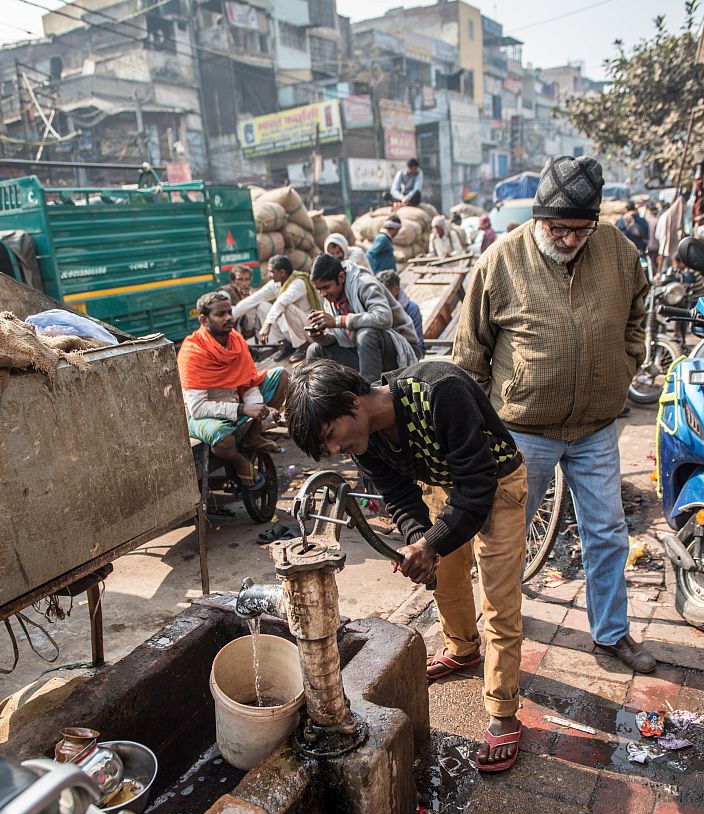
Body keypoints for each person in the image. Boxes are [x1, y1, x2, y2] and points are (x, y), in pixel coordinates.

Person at [453, 154, 656, 674]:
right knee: (505, 538)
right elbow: (470, 354)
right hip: (522, 429)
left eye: (580, 229)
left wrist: (625, 365)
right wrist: (476, 431)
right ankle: (504, 624)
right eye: (558, 228)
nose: (568, 239)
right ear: (539, 218)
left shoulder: (617, 250)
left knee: (607, 532)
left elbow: (638, 311)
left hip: (595, 426)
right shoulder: (500, 261)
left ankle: (611, 634)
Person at [284, 358, 528, 772]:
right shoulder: (367, 442)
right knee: (446, 584)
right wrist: (419, 543)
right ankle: (462, 649)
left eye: (330, 436)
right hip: (444, 485)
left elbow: (478, 483)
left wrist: (430, 543)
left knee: (499, 601)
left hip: (497, 483)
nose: (334, 450)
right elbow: (398, 496)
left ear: (351, 401)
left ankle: (503, 710)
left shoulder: (439, 390)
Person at [178, 291, 288, 488]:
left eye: (230, 312)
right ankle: (239, 461)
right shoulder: (192, 351)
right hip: (201, 416)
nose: (229, 317)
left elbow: (247, 382)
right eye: (221, 314)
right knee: (224, 441)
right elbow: (197, 408)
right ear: (204, 319)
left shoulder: (236, 341)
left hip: (236, 402)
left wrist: (258, 407)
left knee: (281, 376)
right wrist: (242, 410)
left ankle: (253, 436)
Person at [305, 254, 420, 382]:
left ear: (341, 277)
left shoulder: (364, 283)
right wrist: (322, 338)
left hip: (399, 349)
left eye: (326, 287)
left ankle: (370, 393)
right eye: (319, 289)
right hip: (362, 351)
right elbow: (340, 337)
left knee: (366, 334)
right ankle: (318, 396)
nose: (323, 293)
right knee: (315, 350)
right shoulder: (330, 298)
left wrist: (338, 321)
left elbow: (384, 317)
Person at [232, 255, 319, 363]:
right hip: (292, 331)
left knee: (286, 307)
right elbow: (253, 299)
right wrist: (231, 316)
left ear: (281, 272)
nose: (268, 275)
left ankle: (303, 346)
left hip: (309, 330)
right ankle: (286, 345)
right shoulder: (276, 285)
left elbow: (281, 302)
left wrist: (267, 325)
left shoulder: (298, 283)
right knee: (261, 305)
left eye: (271, 272)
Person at [376, 268, 425, 356]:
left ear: (396, 289)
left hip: (409, 351)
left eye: (386, 292)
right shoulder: (379, 308)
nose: (383, 296)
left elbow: (418, 344)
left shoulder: (411, 309)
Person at [645, 203, 659, 274]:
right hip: (656, 246)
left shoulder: (646, 220)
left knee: (651, 264)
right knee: (654, 264)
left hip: (648, 246)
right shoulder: (657, 220)